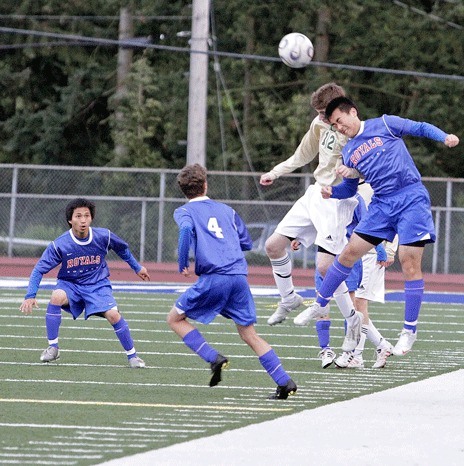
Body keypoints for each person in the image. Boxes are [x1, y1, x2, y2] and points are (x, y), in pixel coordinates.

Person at [296, 96, 460, 356]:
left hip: (410, 197)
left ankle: (409, 331)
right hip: (382, 205)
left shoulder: (385, 123)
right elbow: (350, 189)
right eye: (334, 125)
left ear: (353, 112)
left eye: (340, 121)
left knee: (408, 261)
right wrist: (332, 192)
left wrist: (443, 136)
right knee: (348, 253)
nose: (339, 127)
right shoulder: (348, 152)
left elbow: (419, 127)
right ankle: (320, 303)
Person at [167, 163, 297, 400]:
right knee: (249, 334)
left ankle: (213, 357)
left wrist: (183, 262)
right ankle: (284, 381)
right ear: (206, 185)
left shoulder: (184, 212)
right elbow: (246, 242)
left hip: (214, 277)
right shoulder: (227, 210)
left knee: (175, 318)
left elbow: (185, 231)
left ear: (183, 191)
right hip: (238, 276)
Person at [259, 83, 363, 365]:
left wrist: (351, 173)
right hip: (316, 192)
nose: (319, 117)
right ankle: (290, 298)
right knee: (273, 245)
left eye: (322, 113)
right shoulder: (320, 125)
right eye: (317, 113)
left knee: (326, 266)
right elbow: (303, 155)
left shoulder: (353, 132)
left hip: (336, 200)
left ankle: (353, 320)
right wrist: (275, 173)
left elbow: (362, 174)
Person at [19, 198, 150, 368]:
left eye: (86, 216)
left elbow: (122, 249)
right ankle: (53, 348)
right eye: (78, 216)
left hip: (97, 285)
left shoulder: (104, 236)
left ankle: (133, 356)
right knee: (56, 296)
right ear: (70, 220)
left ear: (91, 218)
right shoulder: (60, 244)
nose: (83, 220)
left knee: (113, 315)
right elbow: (39, 269)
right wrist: (30, 295)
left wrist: (137, 267)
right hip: (70, 285)